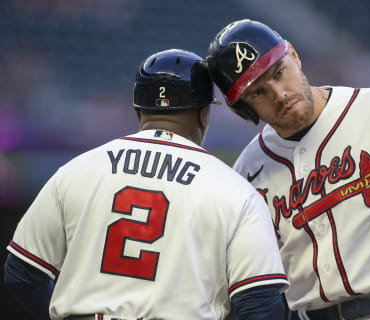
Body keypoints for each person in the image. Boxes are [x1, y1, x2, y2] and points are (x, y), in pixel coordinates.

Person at [205, 19, 370, 320]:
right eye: (257, 92)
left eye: (279, 72)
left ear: (294, 57)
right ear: (244, 110)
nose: (279, 94)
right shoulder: (248, 171)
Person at [4, 49, 290, 320]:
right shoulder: (235, 191)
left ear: (138, 110)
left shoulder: (76, 170)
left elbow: (21, 274)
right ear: (204, 114)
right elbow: (261, 307)